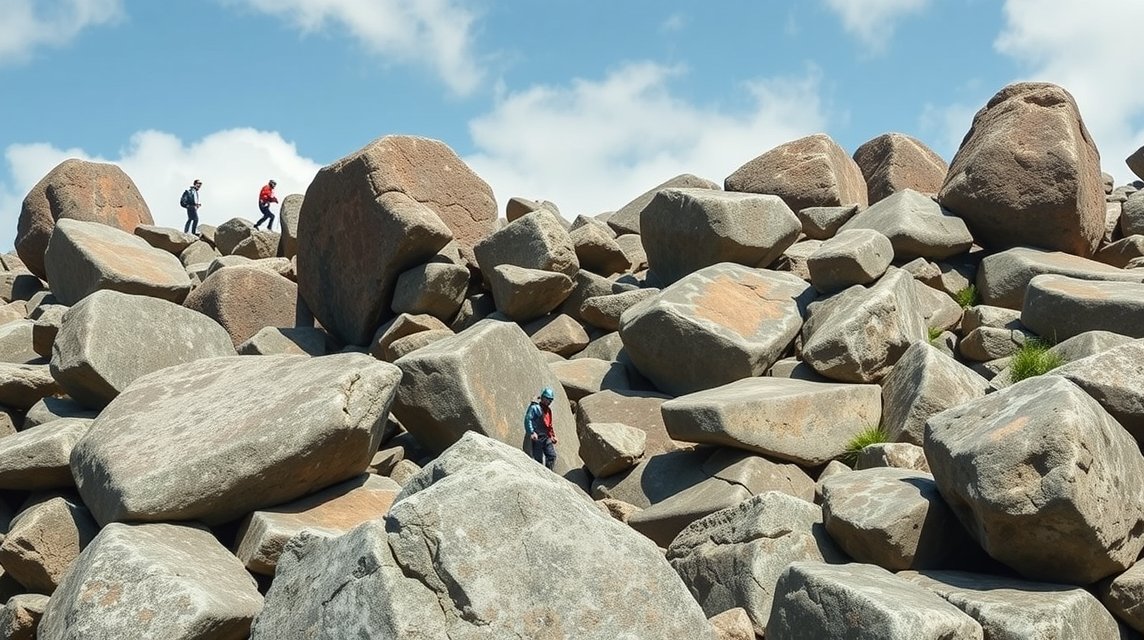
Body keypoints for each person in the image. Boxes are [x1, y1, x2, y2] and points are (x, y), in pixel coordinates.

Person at [524, 387, 558, 469]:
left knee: (551, 455)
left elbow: (549, 424)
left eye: (551, 400)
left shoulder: (548, 410)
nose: (549, 402)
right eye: (548, 399)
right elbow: (528, 420)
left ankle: (549, 472)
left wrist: (552, 435)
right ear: (542, 398)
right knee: (538, 459)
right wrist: (532, 432)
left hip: (546, 437)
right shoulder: (535, 408)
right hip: (537, 438)